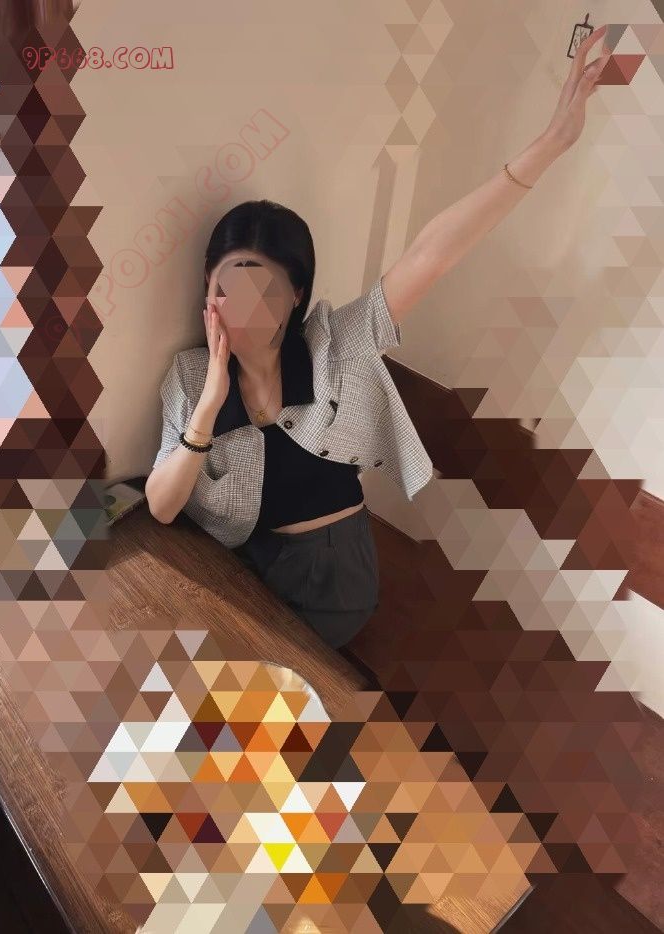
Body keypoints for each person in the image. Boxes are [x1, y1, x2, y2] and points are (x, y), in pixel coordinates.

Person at [145, 25, 609, 652]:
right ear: (207, 286)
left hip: (333, 577)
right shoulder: (189, 375)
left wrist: (551, 143)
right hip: (248, 564)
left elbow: (429, 257)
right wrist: (208, 407)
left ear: (296, 296)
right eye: (229, 287)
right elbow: (162, 507)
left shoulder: (335, 346)